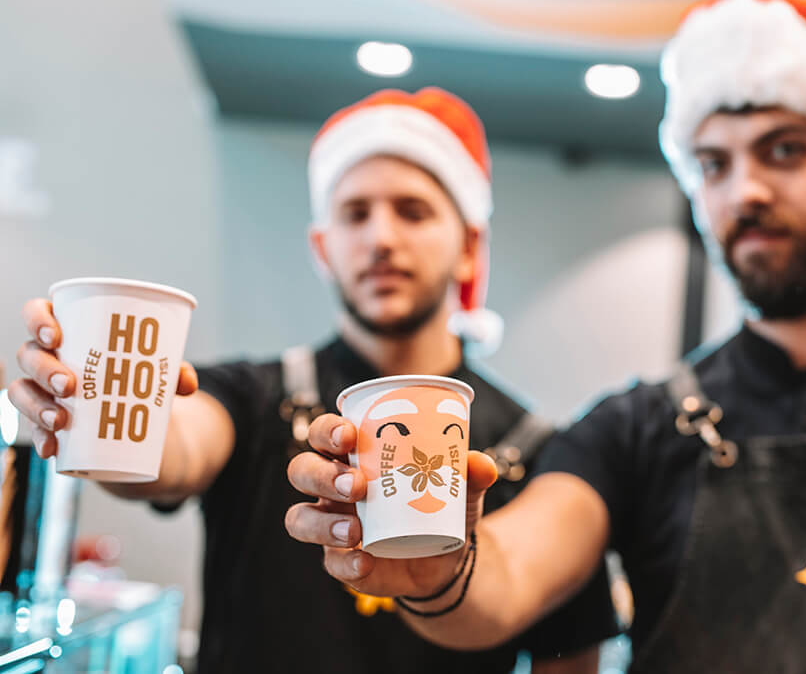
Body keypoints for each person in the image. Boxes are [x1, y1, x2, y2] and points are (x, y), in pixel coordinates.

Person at [284, 0, 806, 672]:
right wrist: (441, 572)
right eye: (714, 163)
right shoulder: (634, 428)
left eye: (784, 150)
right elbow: (507, 576)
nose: (746, 190)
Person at [10, 88, 618, 672]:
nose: (381, 238)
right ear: (323, 249)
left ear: (468, 248)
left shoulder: (538, 449)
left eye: (413, 211)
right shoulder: (253, 396)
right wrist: (87, 407)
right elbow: (177, 446)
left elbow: (568, 655)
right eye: (356, 214)